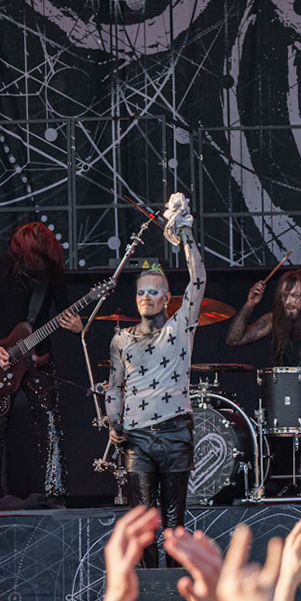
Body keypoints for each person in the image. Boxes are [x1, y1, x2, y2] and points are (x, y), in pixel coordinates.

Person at [105, 193, 205, 562]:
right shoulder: (121, 339)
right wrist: (113, 423)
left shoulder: (180, 328)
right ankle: (150, 590)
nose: (146, 298)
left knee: (175, 524)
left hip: (176, 432)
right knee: (143, 523)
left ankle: (176, 594)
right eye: (141, 293)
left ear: (166, 298)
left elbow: (199, 283)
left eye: (154, 292)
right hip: (137, 437)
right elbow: (114, 386)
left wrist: (187, 234)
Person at [0, 222, 85, 502]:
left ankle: (56, 491)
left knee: (49, 423)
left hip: (38, 358)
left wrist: (78, 326)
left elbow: (64, 311)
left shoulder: (52, 273)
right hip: (4, 358)